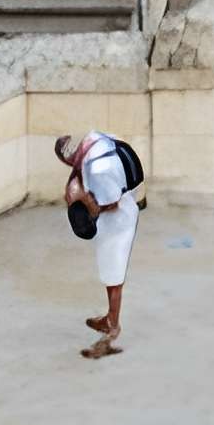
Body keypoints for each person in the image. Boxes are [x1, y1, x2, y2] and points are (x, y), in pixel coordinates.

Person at [56, 130, 142, 360]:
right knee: (109, 272)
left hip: (120, 217)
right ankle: (110, 318)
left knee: (113, 275)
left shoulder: (99, 173)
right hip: (118, 197)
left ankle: (112, 328)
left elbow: (112, 202)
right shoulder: (90, 146)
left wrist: (97, 208)